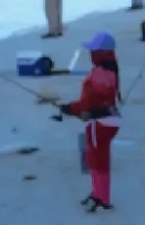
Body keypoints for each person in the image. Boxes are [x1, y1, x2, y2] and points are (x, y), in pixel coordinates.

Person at [51, 31, 122, 212]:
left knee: (97, 161)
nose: (91, 54)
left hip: (99, 123)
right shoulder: (111, 68)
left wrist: (68, 108)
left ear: (102, 52)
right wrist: (78, 110)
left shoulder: (99, 73)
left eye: (94, 50)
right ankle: (98, 195)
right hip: (108, 120)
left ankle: (101, 198)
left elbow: (88, 103)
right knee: (96, 159)